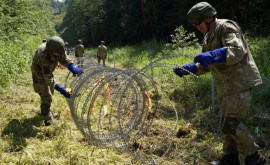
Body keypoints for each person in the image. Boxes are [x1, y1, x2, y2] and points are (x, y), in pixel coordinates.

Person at [173, 2, 266, 165]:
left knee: (230, 121)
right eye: (194, 24)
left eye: (198, 22)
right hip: (226, 85)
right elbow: (206, 64)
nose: (197, 26)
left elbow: (237, 51)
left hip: (240, 82)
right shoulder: (208, 36)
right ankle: (230, 157)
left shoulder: (226, 27)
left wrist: (213, 55)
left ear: (208, 17)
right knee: (225, 121)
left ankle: (254, 156)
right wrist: (190, 69)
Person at [31, 36, 83, 126]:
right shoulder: (43, 55)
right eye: (56, 54)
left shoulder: (58, 48)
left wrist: (72, 67)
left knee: (50, 91)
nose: (59, 55)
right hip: (39, 74)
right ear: (50, 51)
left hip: (48, 71)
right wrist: (61, 89)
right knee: (47, 96)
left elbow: (64, 58)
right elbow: (48, 78)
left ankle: (48, 110)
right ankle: (47, 118)